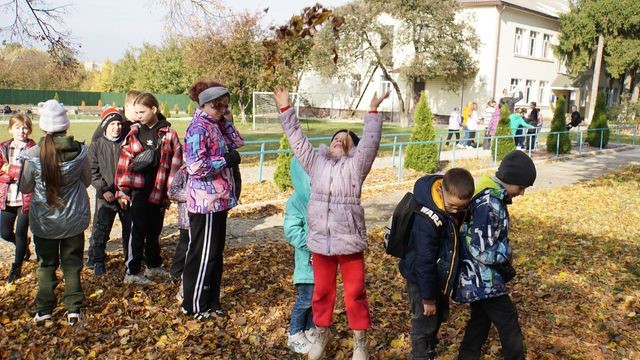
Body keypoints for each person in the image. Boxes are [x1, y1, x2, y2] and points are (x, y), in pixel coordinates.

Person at [274, 87, 390, 360]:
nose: (339, 140)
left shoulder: (356, 166)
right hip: (321, 243)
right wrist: (285, 109)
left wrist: (372, 112)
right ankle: (321, 334)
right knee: (322, 293)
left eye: (346, 139)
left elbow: (371, 144)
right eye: (336, 138)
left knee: (355, 293)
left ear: (353, 148)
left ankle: (360, 342)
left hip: (348, 241)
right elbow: (297, 140)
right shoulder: (316, 163)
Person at [454, 150, 537, 360]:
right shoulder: (489, 203)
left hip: (478, 277)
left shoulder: (492, 197)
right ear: (510, 180)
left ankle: (467, 356)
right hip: (483, 277)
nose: (522, 193)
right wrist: (506, 252)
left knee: (480, 320)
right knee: (508, 320)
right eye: (521, 187)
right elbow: (481, 249)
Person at [20, 99, 91, 325]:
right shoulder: (80, 150)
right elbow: (87, 180)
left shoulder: (32, 153)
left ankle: (44, 310)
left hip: (44, 221)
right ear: (66, 125)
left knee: (46, 265)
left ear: (44, 127)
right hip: (73, 220)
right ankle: (73, 310)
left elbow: (25, 187)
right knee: (72, 264)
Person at [181, 80, 244, 320]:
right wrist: (224, 161)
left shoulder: (216, 124)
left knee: (215, 254)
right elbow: (195, 167)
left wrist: (227, 121)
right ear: (206, 104)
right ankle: (194, 305)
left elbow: (238, 142)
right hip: (205, 202)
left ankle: (211, 300)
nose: (222, 111)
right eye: (218, 107)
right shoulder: (198, 128)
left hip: (220, 200)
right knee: (202, 254)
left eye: (226, 107)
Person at [399, 168, 475, 360]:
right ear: (441, 190)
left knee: (436, 319)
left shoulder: (449, 206)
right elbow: (425, 262)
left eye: (461, 208)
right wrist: (428, 299)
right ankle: (420, 356)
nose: (456, 211)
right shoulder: (427, 221)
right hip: (421, 278)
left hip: (437, 275)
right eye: (453, 206)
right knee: (424, 322)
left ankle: (429, 349)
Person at [115, 93, 183, 285]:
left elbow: (175, 165)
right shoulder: (134, 133)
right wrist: (122, 190)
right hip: (139, 191)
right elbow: (124, 163)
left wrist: (171, 191)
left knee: (154, 230)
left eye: (142, 111)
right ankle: (133, 270)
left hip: (159, 190)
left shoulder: (170, 134)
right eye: (136, 112)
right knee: (137, 230)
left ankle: (153, 265)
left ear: (154, 109)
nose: (138, 116)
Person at [86, 107, 129, 276]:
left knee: (129, 229)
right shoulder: (96, 145)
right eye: (112, 124)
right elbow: (92, 171)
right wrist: (104, 190)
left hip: (124, 195)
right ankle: (97, 260)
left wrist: (124, 191)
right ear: (105, 126)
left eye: (118, 123)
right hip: (105, 196)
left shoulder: (126, 143)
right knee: (101, 229)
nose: (116, 127)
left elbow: (130, 169)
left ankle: (130, 259)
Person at [284, 157, 316, 354]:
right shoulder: (296, 202)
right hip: (306, 263)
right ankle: (295, 332)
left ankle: (310, 328)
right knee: (306, 298)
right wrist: (312, 243)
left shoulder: (322, 200)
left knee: (318, 297)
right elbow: (292, 231)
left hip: (324, 261)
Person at [0, 113, 36, 282]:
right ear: (10, 129)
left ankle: (16, 266)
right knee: (5, 232)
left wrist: (11, 170)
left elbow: (32, 173)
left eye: (25, 127)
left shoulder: (33, 148)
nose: (22, 130)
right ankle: (23, 246)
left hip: (25, 198)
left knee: (21, 232)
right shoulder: (3, 147)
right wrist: (7, 174)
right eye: (18, 127)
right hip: (7, 196)